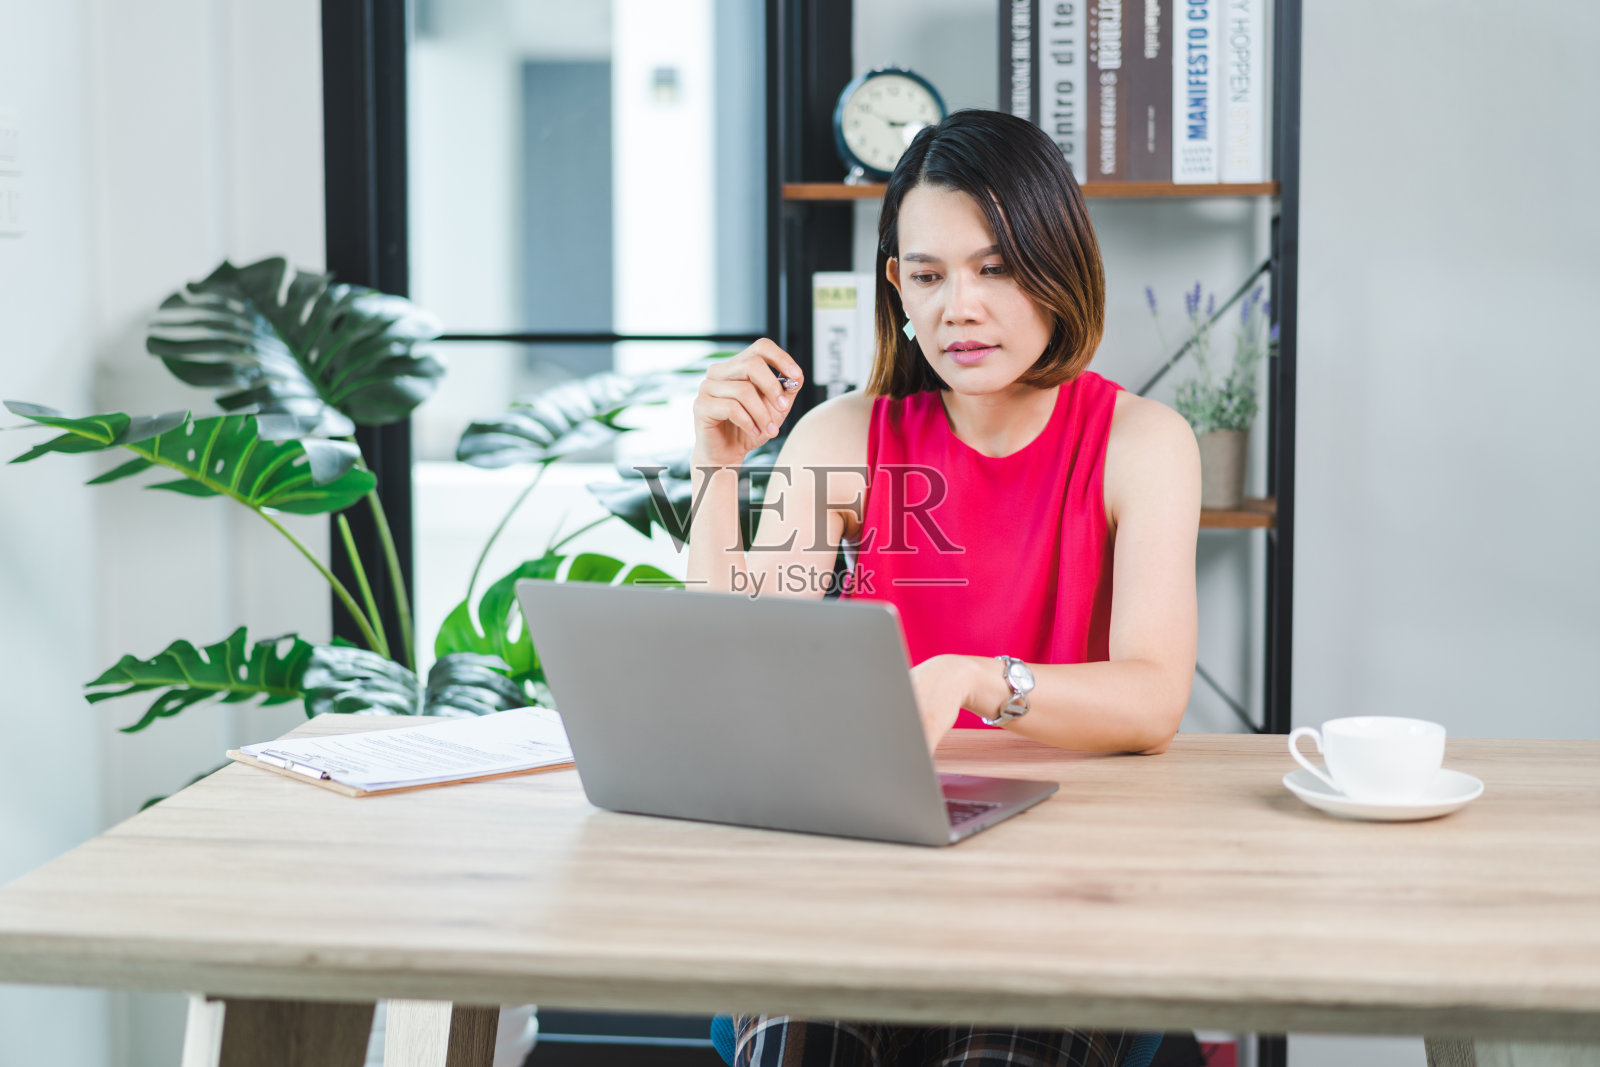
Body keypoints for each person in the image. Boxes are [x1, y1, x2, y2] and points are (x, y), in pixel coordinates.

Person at [686, 109, 1201, 1067]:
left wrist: (974, 677)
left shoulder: (1141, 444)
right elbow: (736, 671)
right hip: (858, 871)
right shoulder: (844, 437)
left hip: (1060, 885)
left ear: (1059, 265)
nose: (959, 306)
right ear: (898, 287)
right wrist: (715, 474)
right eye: (928, 275)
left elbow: (1151, 698)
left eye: (996, 267)